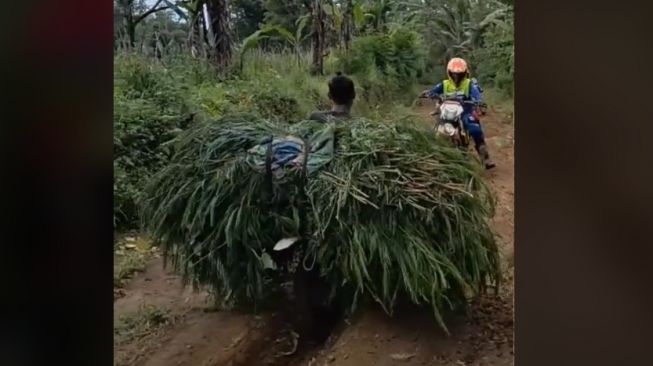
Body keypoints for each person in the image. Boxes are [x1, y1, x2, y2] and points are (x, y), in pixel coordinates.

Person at [421, 57, 496, 169]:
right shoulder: (444, 84)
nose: (456, 76)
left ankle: (485, 157)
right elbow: (433, 91)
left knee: (474, 128)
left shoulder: (469, 84)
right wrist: (428, 93)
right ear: (449, 73)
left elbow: (476, 95)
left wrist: (477, 101)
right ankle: (437, 156)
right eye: (454, 74)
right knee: (438, 129)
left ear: (465, 73)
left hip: (466, 110)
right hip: (448, 111)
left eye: (459, 74)